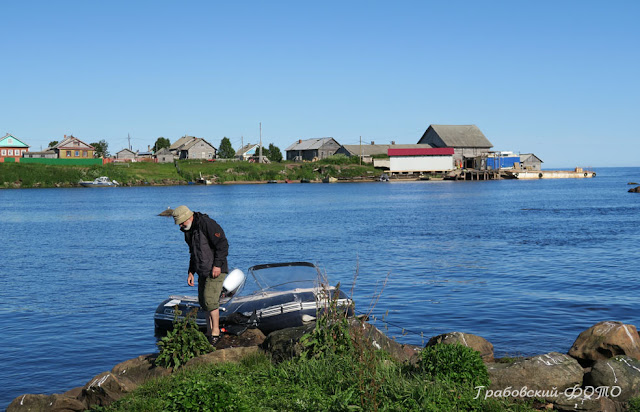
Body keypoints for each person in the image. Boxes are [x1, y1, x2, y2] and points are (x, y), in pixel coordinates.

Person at [172, 205, 229, 345]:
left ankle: (216, 332)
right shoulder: (188, 230)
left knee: (210, 301)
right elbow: (193, 253)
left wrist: (217, 265)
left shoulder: (207, 224)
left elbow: (223, 244)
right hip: (202, 270)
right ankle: (209, 332)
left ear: (188, 217)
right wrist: (191, 272)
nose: (180, 225)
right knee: (204, 303)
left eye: (181, 221)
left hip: (216, 270)